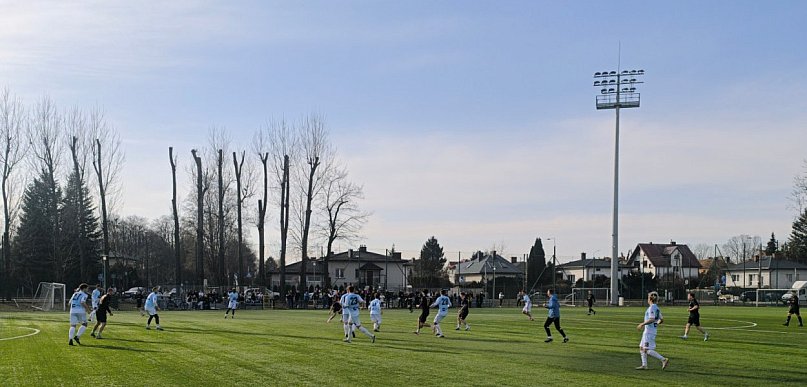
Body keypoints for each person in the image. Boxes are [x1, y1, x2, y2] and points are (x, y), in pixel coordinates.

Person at [636, 291, 669, 370]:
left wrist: (642, 324)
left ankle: (663, 359)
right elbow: (661, 320)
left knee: (646, 350)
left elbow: (651, 319)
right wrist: (656, 323)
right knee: (641, 347)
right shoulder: (656, 308)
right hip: (649, 331)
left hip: (649, 332)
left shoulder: (652, 308)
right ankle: (644, 365)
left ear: (650, 299)